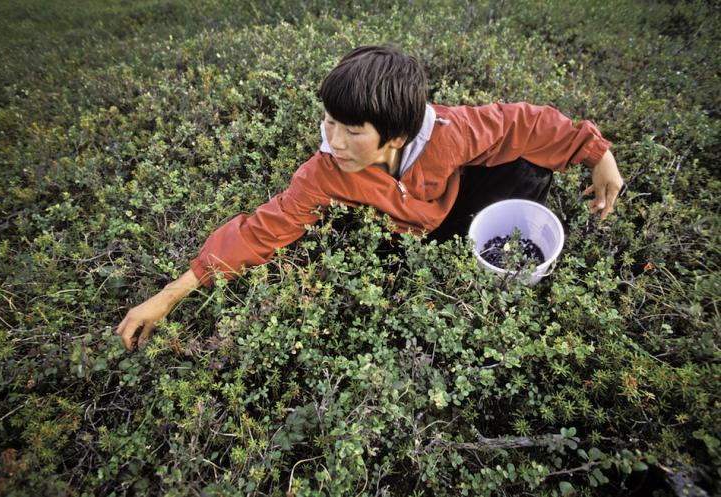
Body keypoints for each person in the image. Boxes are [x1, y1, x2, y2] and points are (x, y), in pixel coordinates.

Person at [116, 45, 623, 351]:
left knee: (528, 157)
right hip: (401, 231)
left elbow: (525, 122)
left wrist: (596, 153)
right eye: (329, 122)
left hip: (451, 203)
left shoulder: (452, 131)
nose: (332, 141)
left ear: (397, 136)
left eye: (350, 130)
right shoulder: (325, 171)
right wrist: (169, 294)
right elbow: (262, 229)